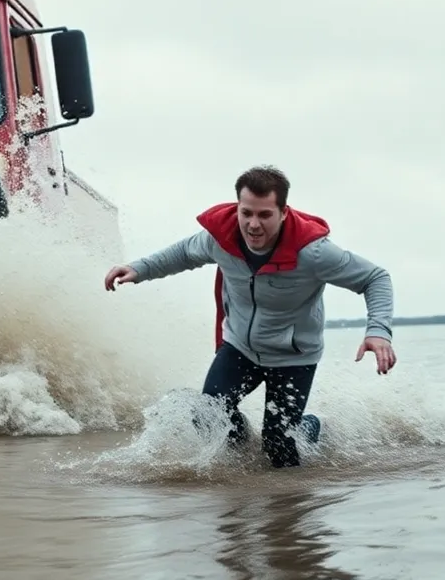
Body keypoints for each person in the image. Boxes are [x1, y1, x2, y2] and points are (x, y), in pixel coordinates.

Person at [104, 165, 396, 468]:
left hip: (293, 357)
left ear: (283, 212)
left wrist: (378, 331)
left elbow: (375, 278)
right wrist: (139, 269)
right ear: (238, 208)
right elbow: (184, 254)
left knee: (280, 452)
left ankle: (310, 428)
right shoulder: (221, 239)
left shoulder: (313, 253)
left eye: (264, 215)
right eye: (247, 213)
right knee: (211, 419)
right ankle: (243, 444)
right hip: (240, 348)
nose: (253, 225)